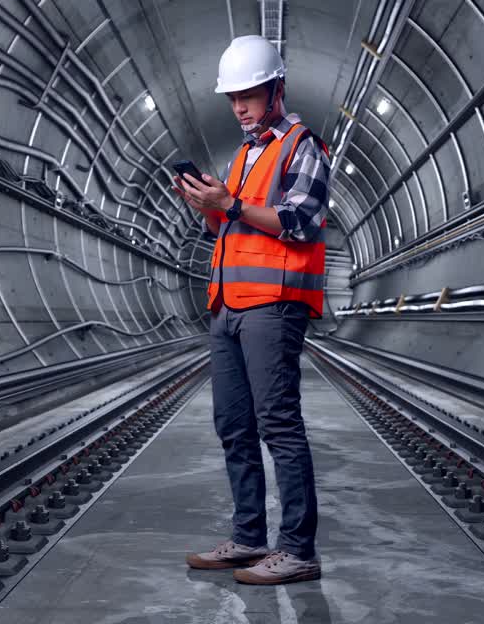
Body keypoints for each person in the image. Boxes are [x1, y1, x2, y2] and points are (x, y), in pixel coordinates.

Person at [172, 35, 330, 585]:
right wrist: (206, 205)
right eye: (232, 98)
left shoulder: (302, 145)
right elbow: (230, 226)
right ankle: (247, 537)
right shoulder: (241, 155)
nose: (239, 107)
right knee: (232, 425)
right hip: (228, 305)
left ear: (276, 89)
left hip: (274, 304)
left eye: (250, 94)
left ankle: (298, 549)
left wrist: (231, 204)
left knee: (278, 425)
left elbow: (299, 221)